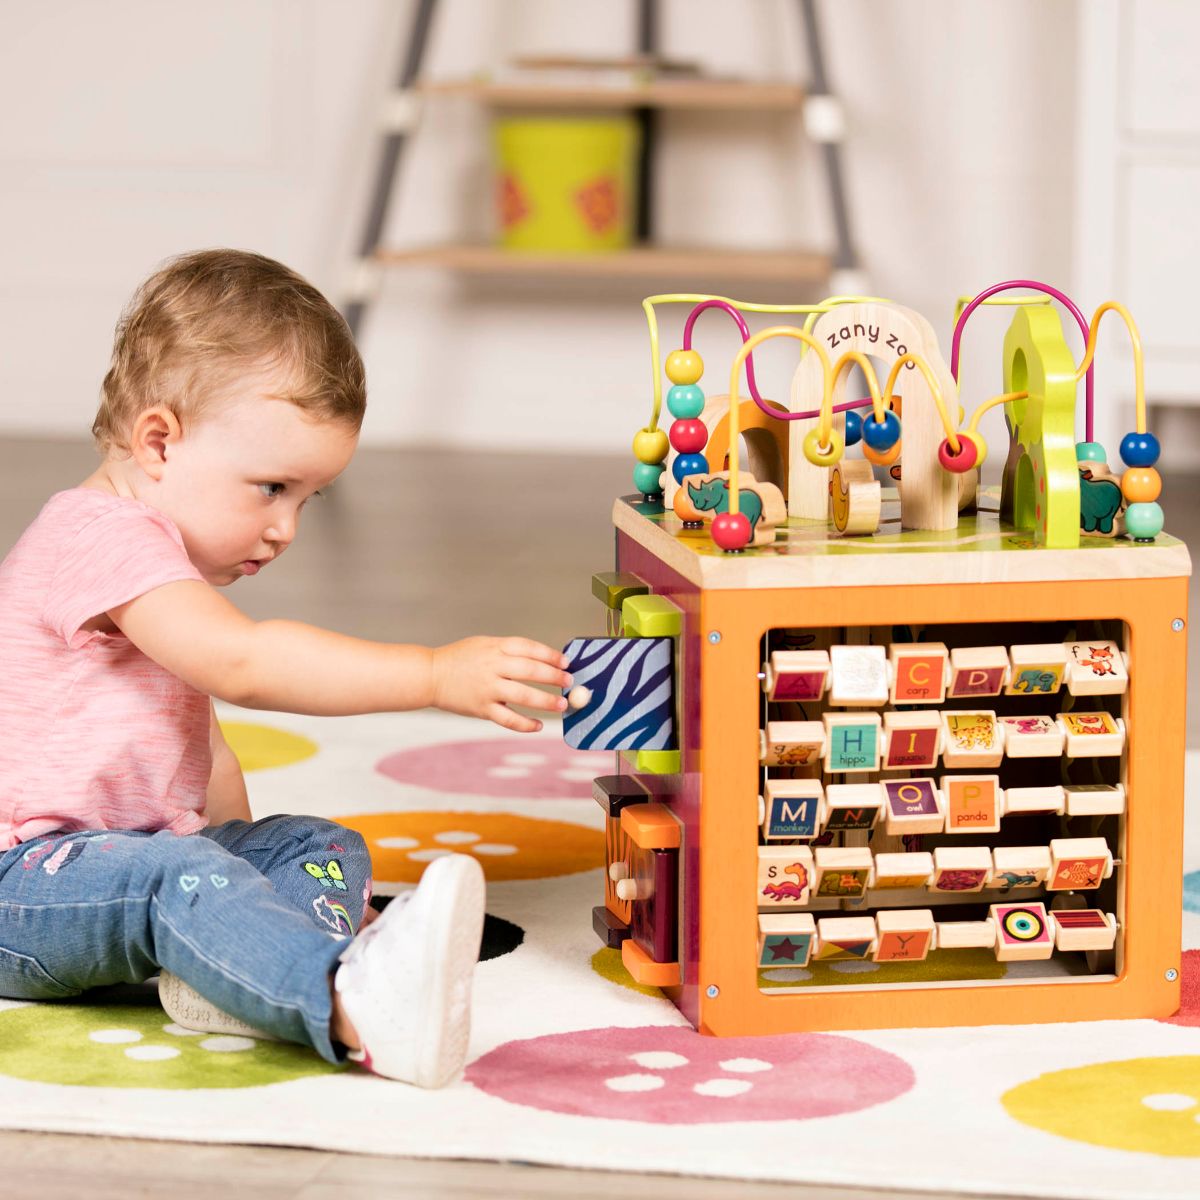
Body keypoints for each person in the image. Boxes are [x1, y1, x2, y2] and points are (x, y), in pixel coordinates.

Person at [0, 249, 572, 1087]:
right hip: (26, 885)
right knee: (182, 874)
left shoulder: (158, 573)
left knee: (317, 845)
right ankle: (349, 1004)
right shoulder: (96, 537)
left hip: (139, 863)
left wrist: (244, 861)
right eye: (271, 488)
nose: (286, 529)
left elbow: (207, 752)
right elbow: (243, 663)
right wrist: (432, 674)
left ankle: (248, 968)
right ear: (158, 441)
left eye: (308, 497)